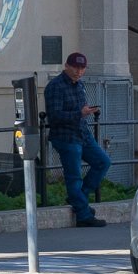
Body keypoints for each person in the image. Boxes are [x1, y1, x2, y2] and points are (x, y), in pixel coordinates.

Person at [46, 51, 110, 227]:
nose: (79, 71)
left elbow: (80, 110)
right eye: (75, 67)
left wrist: (89, 111)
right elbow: (55, 116)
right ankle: (83, 215)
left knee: (103, 162)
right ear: (66, 66)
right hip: (66, 136)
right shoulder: (56, 86)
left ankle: (79, 198)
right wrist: (79, 113)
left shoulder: (79, 85)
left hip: (82, 133)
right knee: (74, 176)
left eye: (82, 68)